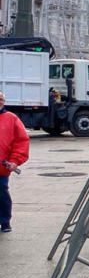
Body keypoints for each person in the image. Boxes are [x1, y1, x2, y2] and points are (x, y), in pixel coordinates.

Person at [0, 91, 29, 233]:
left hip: (2, 166)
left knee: (1, 192)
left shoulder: (11, 118)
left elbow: (21, 141)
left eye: (1, 99)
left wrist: (15, 161)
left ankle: (5, 221)